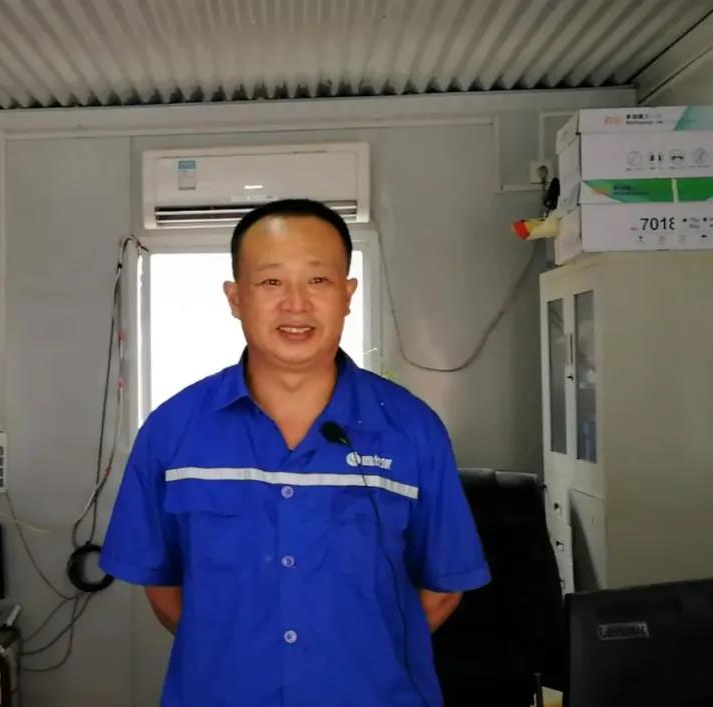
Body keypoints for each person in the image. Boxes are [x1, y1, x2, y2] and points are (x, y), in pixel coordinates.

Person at [100, 199, 490, 707]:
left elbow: (443, 586)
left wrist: (360, 662)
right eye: (271, 282)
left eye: (318, 280)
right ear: (235, 298)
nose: (296, 304)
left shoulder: (412, 429)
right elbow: (162, 585)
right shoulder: (173, 430)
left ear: (347, 294)